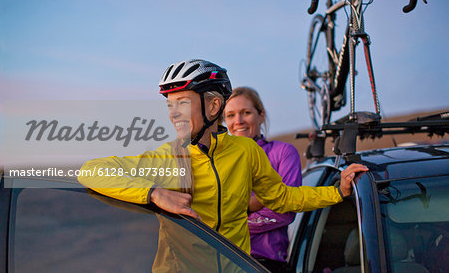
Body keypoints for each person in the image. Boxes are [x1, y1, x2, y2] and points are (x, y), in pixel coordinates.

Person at [78, 59, 368, 256]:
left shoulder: (245, 151)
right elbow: (90, 171)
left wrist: (337, 192)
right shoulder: (168, 157)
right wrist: (153, 193)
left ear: (214, 105)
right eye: (169, 105)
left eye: (182, 103)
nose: (173, 113)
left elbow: (282, 198)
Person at [224, 86, 301, 271]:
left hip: (265, 264)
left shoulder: (283, 153)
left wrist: (231, 226)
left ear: (261, 115)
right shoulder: (218, 160)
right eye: (231, 115)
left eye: (246, 112)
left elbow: (285, 210)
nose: (238, 121)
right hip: (222, 261)